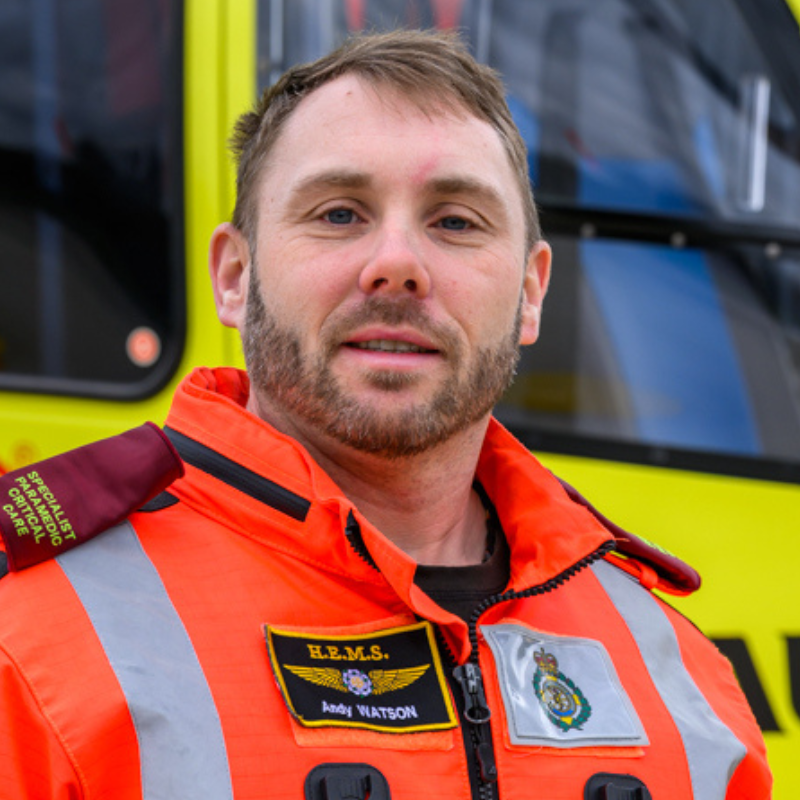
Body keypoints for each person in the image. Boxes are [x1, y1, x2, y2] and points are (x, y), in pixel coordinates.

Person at [0, 29, 770, 799]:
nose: (397, 264)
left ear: (532, 293)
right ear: (234, 278)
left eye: (457, 222)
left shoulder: (683, 683)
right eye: (339, 214)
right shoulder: (31, 648)